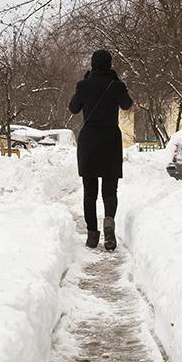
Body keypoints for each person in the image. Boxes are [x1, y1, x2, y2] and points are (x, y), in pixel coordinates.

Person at [68, 50, 133, 251]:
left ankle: (92, 235)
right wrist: (117, 81)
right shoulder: (116, 86)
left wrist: (85, 84)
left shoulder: (84, 86)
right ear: (110, 65)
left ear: (92, 64)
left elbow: (73, 108)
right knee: (109, 190)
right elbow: (127, 104)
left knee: (90, 192)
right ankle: (109, 224)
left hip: (89, 142)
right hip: (110, 141)